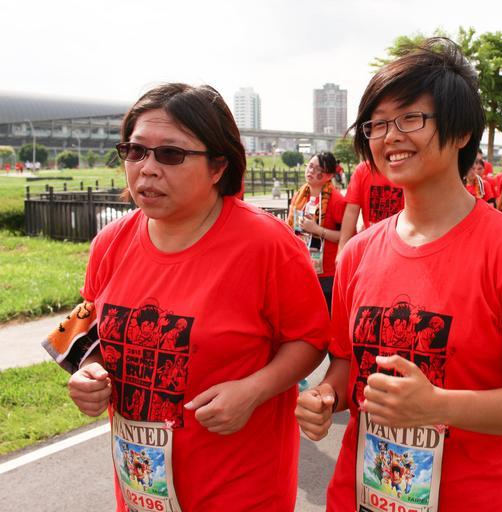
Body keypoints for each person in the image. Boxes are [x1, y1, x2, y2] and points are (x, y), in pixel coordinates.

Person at [295, 38, 502, 512]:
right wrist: (326, 396)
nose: (390, 136)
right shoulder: (358, 253)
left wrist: (437, 406)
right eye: (377, 123)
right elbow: (347, 364)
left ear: (462, 131)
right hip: (364, 493)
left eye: (411, 118)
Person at [46, 83, 330, 511]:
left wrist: (253, 390)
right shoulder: (110, 243)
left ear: (218, 166)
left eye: (171, 154)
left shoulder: (267, 245)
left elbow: (310, 339)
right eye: (135, 151)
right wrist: (89, 373)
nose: (147, 169)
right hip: (142, 491)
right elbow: (88, 329)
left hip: (240, 492)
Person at [288, 151, 346, 311]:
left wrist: (317, 230)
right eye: (310, 166)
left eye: (317, 169)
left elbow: (346, 237)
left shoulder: (336, 200)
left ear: (329, 175)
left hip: (327, 274)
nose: (311, 171)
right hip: (301, 269)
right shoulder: (300, 195)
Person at [336, 159, 404, 260]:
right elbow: (351, 211)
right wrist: (342, 248)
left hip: (400, 247)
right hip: (371, 248)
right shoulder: (363, 169)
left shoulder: (407, 169)